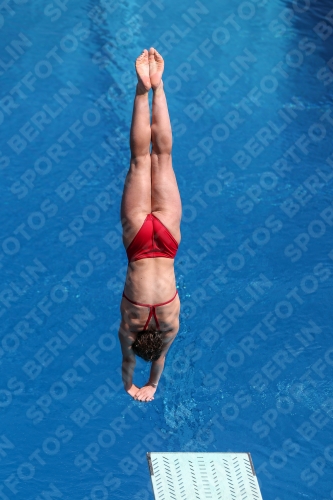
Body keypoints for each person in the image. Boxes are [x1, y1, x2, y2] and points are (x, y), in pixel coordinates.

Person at [118, 48, 182, 403]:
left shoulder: (170, 325)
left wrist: (152, 384)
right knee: (141, 160)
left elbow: (159, 359)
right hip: (139, 244)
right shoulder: (129, 327)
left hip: (168, 241)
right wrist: (134, 385)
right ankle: (143, 89)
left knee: (164, 157)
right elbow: (129, 362)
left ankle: (158, 86)